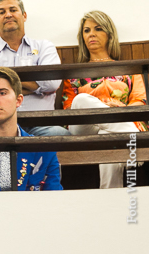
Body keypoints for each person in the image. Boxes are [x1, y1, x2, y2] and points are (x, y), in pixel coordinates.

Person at [62, 10, 146, 188]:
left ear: (109, 34)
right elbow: (69, 107)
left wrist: (118, 110)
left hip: (116, 127)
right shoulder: (74, 74)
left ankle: (110, 195)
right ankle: (134, 140)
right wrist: (103, 107)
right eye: (86, 30)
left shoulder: (130, 70)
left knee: (108, 135)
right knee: (80, 99)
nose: (91, 34)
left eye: (98, 28)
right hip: (83, 129)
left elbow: (139, 100)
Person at [0, 0, 69, 136]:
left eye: (13, 10)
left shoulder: (45, 47)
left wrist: (7, 88)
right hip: (3, 126)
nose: (8, 15)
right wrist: (38, 88)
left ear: (24, 15)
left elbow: (52, 84)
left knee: (60, 135)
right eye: (1, 12)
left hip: (43, 124)